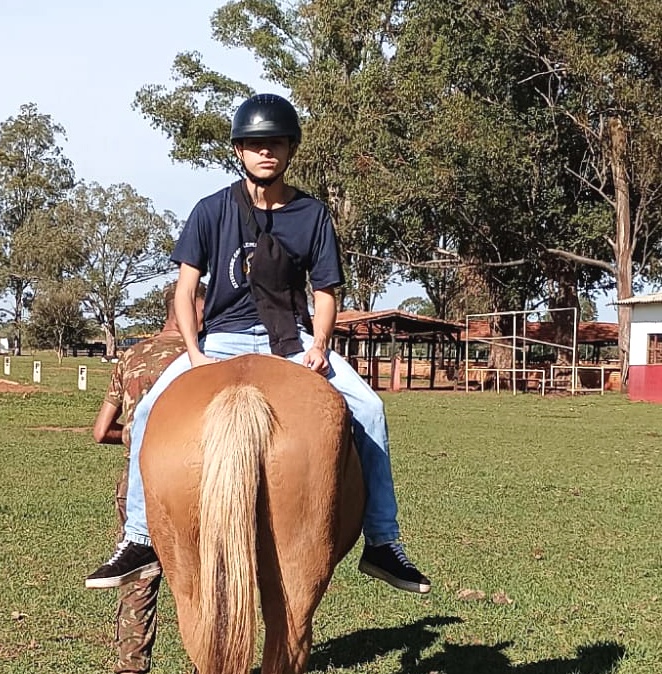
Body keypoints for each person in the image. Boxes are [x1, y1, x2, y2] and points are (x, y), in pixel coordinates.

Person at [86, 93, 430, 595]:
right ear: (238, 152)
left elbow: (326, 291)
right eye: (254, 144)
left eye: (274, 144)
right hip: (220, 339)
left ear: (290, 150)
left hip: (291, 339)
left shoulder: (311, 215)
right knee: (144, 416)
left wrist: (319, 344)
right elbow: (186, 291)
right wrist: (196, 352)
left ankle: (382, 542)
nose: (265, 153)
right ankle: (138, 539)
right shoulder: (210, 211)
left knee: (372, 410)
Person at [91, 281, 207, 674]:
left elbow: (101, 430)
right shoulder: (205, 359)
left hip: (138, 487)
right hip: (194, 486)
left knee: (137, 583)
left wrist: (140, 439)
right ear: (189, 311)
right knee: (202, 584)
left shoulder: (132, 357)